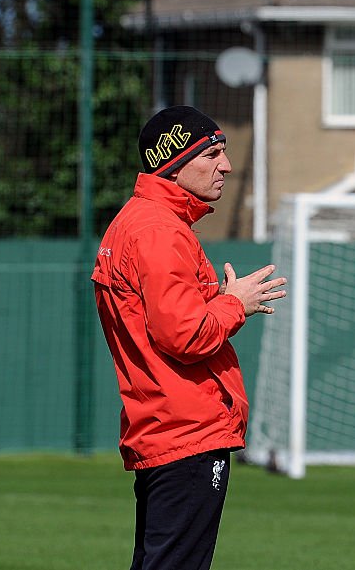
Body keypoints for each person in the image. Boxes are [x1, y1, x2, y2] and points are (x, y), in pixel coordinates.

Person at [91, 105, 286, 570]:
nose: (227, 166)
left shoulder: (141, 223)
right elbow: (186, 337)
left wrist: (214, 301)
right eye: (214, 153)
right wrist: (235, 302)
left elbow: (164, 321)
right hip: (187, 432)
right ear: (174, 160)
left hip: (167, 429)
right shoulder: (160, 231)